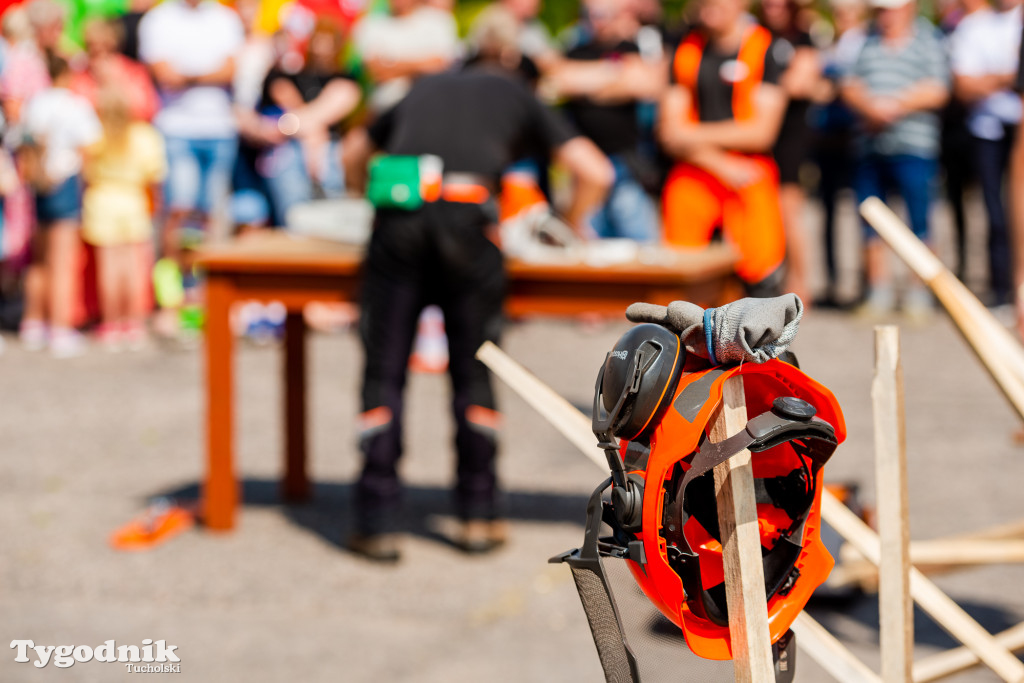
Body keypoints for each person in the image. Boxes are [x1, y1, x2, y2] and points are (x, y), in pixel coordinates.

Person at [343, 67, 612, 562]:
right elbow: (596, 172)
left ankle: (375, 522)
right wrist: (568, 225)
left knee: (384, 370)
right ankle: (479, 516)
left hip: (399, 221)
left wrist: (365, 200)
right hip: (469, 222)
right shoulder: (518, 93)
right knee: (476, 370)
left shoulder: (420, 86)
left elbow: (351, 152)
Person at [658, 0, 789, 296]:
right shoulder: (684, 48)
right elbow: (668, 132)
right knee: (681, 275)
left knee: (762, 270)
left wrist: (691, 135)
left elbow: (761, 133)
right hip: (695, 169)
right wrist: (718, 162)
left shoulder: (766, 48)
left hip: (749, 170)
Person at [137, 0, 244, 331]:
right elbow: (164, 73)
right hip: (177, 129)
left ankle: (202, 296)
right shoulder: (159, 18)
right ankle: (173, 297)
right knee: (179, 213)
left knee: (209, 217)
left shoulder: (226, 18)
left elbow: (230, 68)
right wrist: (205, 74)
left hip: (219, 128)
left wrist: (189, 74)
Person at [841, 0, 949, 317]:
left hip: (915, 147)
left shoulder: (929, 41)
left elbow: (939, 88)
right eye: (881, 9)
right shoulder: (866, 41)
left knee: (920, 222)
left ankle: (920, 293)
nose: (885, 14)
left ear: (910, 8)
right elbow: (849, 84)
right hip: (871, 147)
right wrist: (869, 106)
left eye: (891, 8)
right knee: (871, 222)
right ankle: (879, 292)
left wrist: (896, 104)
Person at [549, 0, 665, 242]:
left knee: (637, 235)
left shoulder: (630, 47)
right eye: (590, 14)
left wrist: (586, 84)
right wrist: (616, 74)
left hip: (625, 159)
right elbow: (560, 80)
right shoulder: (575, 50)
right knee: (590, 237)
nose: (596, 20)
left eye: (602, 15)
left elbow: (647, 84)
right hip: (585, 164)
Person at [20, 54, 101, 356]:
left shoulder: (36, 102)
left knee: (39, 258)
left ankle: (33, 322)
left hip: (39, 183)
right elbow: (90, 146)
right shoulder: (76, 104)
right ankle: (60, 328)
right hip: (65, 181)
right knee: (62, 260)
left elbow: (28, 142)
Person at [950, 0, 1022, 310]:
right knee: (994, 211)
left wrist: (990, 79)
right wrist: (1006, 77)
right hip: (986, 130)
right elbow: (964, 85)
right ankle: (1005, 286)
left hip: (1013, 126)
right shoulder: (973, 26)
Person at [82, 88, 166, 350]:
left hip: (101, 201)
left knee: (110, 267)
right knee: (133, 267)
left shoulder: (94, 135)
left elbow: (85, 171)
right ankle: (134, 323)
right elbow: (155, 177)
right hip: (133, 201)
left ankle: (111, 323)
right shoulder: (145, 135)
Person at [257, 18, 361, 225]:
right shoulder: (291, 77)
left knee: (330, 179)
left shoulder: (345, 81)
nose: (322, 48)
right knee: (287, 175)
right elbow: (288, 118)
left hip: (327, 150)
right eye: (318, 40)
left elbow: (296, 121)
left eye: (328, 41)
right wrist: (311, 135)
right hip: (294, 148)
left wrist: (309, 132)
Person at [758, 0, 821, 303]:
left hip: (789, 135)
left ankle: (799, 285)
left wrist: (761, 85)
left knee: (788, 210)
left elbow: (801, 83)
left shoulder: (802, 37)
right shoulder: (757, 34)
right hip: (759, 134)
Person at [812, 0, 866, 305]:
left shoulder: (863, 45)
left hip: (856, 140)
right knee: (828, 214)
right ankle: (833, 281)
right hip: (828, 140)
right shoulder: (830, 46)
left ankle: (863, 283)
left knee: (863, 214)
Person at [351, 0, 459, 112]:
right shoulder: (371, 23)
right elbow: (374, 71)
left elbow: (440, 65)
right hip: (386, 108)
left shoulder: (439, 20)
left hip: (431, 105)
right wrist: (420, 66)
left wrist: (391, 64)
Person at [71, 18, 159, 122]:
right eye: (91, 46)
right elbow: (76, 111)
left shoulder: (135, 72)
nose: (98, 51)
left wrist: (114, 84)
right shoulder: (80, 75)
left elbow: (147, 110)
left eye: (104, 46)